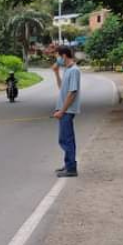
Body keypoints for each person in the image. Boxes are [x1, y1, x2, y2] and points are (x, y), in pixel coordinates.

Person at [53, 46, 81, 178]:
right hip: (64, 109)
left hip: (67, 110)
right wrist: (56, 72)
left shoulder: (74, 70)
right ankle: (68, 164)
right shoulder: (67, 70)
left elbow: (72, 92)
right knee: (64, 138)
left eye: (57, 56)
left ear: (63, 56)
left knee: (67, 139)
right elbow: (62, 87)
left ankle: (71, 168)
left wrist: (62, 111)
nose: (57, 59)